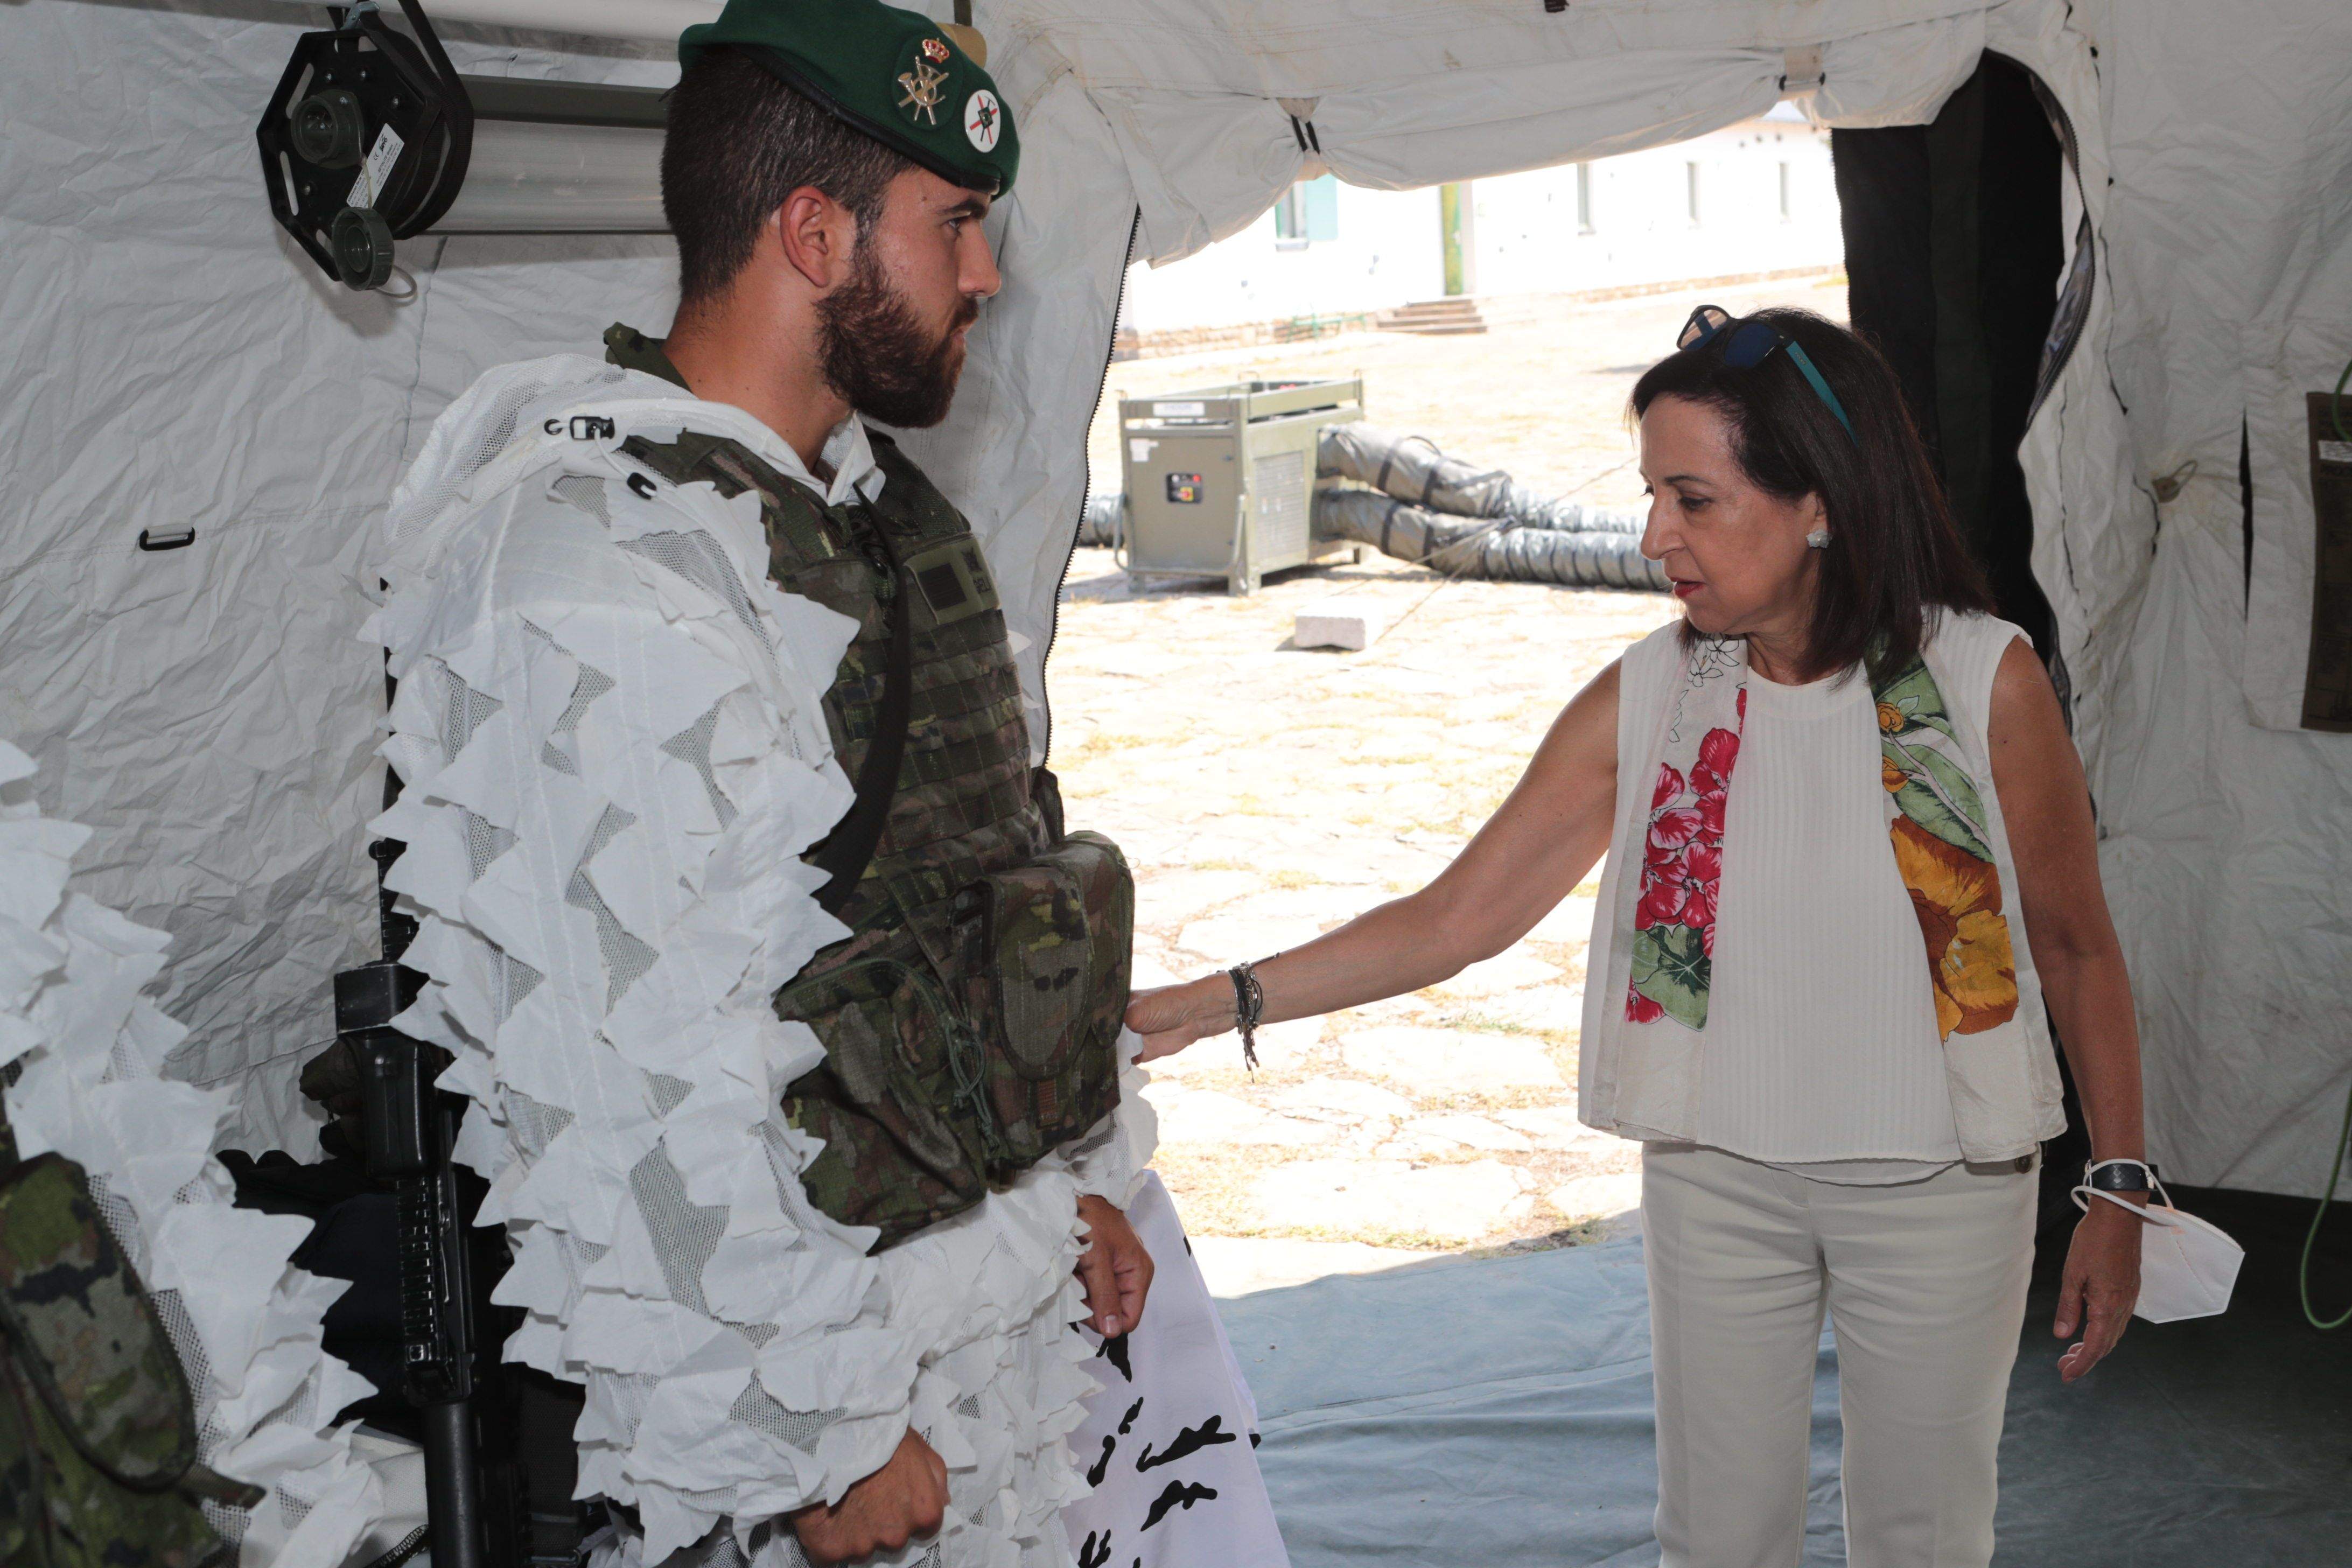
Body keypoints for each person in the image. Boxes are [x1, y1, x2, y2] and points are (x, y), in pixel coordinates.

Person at [1131, 306, 2152, 1568]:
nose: (1655, 533)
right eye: (1650, 493)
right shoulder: (1653, 693)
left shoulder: (1985, 681)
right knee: (1715, 1543)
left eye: (1694, 498)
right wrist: (1220, 997)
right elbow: (1460, 917)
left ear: (1820, 503)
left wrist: (2119, 1182)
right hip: (1719, 1176)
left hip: (1939, 1188)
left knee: (1924, 1539)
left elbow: (2076, 946)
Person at [367, 3, 1157, 1562]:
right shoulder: (585, 573)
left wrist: (1076, 1185)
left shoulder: (872, 521)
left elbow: (980, 891)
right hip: (785, 1425)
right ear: (813, 232)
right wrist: (817, 1440)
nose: (987, 277)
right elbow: (627, 1089)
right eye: (956, 227)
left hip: (972, 1356)